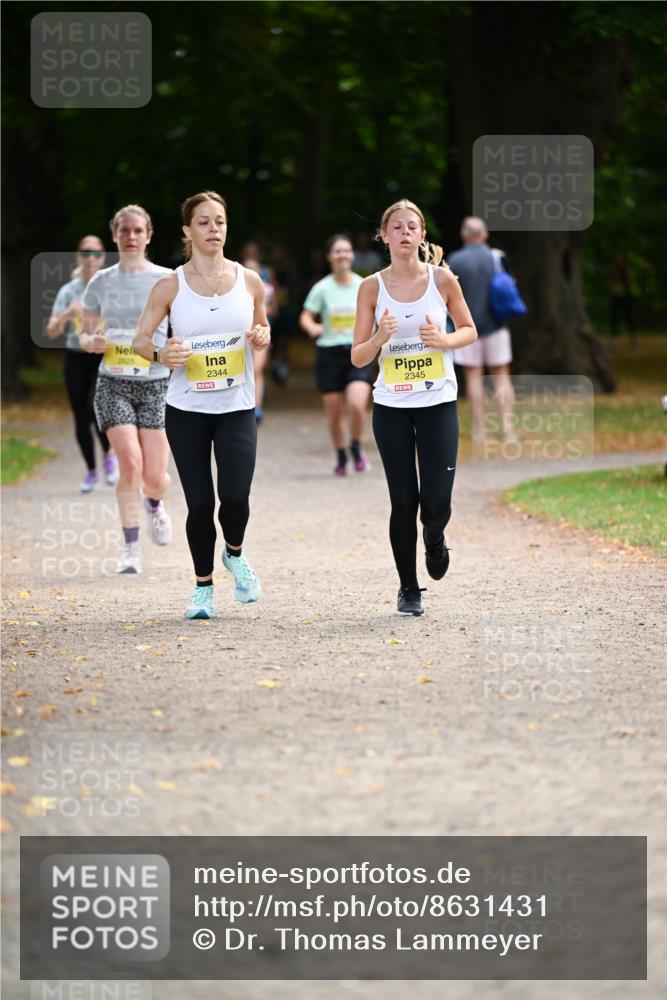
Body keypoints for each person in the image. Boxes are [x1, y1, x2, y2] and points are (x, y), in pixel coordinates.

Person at [132, 191, 270, 620]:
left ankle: (234, 553)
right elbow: (140, 340)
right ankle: (203, 589)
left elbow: (261, 325)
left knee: (236, 496)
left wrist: (262, 336)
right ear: (187, 231)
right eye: (205, 222)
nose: (215, 229)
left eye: (221, 222)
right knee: (199, 503)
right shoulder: (170, 285)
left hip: (236, 406)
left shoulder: (249, 281)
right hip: (187, 408)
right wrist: (161, 355)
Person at [352, 199, 476, 616]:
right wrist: (378, 339)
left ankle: (435, 536)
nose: (405, 233)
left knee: (436, 502)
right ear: (384, 236)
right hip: (391, 404)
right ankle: (409, 588)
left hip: (437, 401)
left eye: (413, 227)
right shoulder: (371, 287)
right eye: (397, 227)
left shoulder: (443, 280)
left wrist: (444, 341)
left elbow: (469, 330)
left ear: (422, 235)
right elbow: (357, 356)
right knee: (403, 500)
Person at [80, 205, 172, 574]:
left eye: (138, 231)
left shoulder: (167, 279)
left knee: (154, 477)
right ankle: (131, 548)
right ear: (115, 235)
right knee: (130, 464)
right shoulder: (100, 281)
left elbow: (181, 326)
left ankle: (155, 504)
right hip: (113, 383)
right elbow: (85, 332)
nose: (131, 237)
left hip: (156, 384)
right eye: (124, 231)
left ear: (148, 236)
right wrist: (92, 341)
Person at [47, 236, 119, 492]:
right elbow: (51, 332)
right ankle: (91, 471)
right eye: (85, 253)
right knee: (80, 417)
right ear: (78, 256)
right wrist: (68, 313)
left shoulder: (111, 286)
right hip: (76, 357)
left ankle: (109, 454)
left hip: (103, 356)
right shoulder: (69, 291)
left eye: (96, 253)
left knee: (93, 410)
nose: (91, 258)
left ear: (103, 257)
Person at [300, 234, 373, 475]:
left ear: (352, 255)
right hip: (329, 354)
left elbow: (376, 313)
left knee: (356, 403)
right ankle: (341, 454)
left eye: (347, 250)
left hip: (356, 351)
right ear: (329, 257)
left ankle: (356, 445)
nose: (343, 255)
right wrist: (312, 327)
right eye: (337, 251)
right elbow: (306, 315)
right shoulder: (322, 288)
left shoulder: (363, 285)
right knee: (334, 412)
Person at [447, 217, 516, 445]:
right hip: (496, 326)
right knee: (501, 375)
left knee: (473, 376)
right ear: (484, 235)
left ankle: (479, 431)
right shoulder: (497, 257)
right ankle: (508, 429)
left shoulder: (455, 260)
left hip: (466, 329)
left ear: (464, 235)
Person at [240, 243, 276, 423]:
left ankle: (257, 407)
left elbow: (274, 308)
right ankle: (247, 402)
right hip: (241, 334)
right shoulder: (235, 288)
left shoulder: (267, 286)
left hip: (261, 329)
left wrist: (262, 314)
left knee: (257, 369)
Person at [609, 252, 637, 347]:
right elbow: (611, 283)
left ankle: (633, 337)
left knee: (629, 317)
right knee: (614, 318)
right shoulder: (613, 270)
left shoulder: (624, 269)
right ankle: (613, 340)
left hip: (625, 297)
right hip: (615, 297)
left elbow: (629, 281)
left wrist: (622, 287)